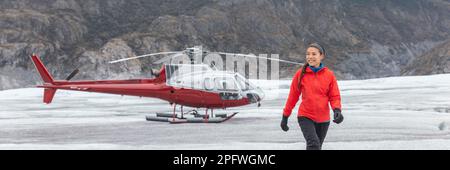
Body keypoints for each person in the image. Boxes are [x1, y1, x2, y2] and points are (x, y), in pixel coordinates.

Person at [281, 43, 343, 150]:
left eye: (314, 54)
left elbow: (334, 96)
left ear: (321, 56)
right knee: (313, 144)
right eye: (308, 54)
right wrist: (285, 116)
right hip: (305, 116)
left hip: (324, 119)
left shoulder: (329, 75)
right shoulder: (300, 74)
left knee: (317, 147)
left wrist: (337, 110)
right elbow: (293, 96)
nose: (310, 57)